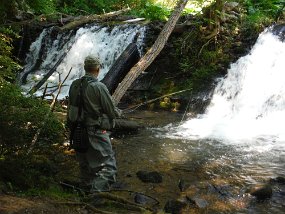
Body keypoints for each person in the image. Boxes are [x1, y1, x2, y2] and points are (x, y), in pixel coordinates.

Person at [67, 56, 121, 192]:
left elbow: (71, 108)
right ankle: (94, 196)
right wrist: (119, 113)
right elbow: (111, 111)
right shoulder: (98, 87)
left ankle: (82, 195)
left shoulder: (74, 84)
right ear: (98, 69)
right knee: (109, 169)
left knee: (85, 166)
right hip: (95, 132)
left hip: (77, 131)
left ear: (85, 68)